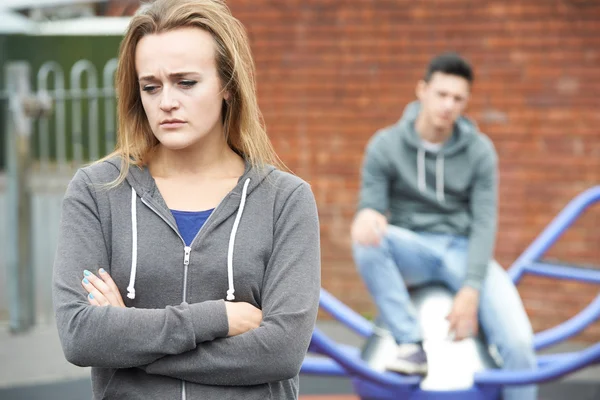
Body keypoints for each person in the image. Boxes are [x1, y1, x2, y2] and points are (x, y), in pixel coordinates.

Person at [52, 1, 321, 399]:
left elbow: (280, 352)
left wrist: (130, 341)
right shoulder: (96, 191)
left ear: (227, 85)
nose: (166, 103)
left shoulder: (286, 200)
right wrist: (218, 318)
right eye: (151, 86)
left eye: (186, 82)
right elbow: (80, 336)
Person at [351, 52, 537, 400]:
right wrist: (366, 215)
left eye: (458, 98)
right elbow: (371, 208)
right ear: (422, 90)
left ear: (466, 103)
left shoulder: (479, 151)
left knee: (519, 343)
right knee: (366, 237)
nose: (448, 105)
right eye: (441, 94)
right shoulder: (385, 145)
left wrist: (471, 288)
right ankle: (410, 343)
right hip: (413, 247)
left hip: (462, 249)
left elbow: (485, 223)